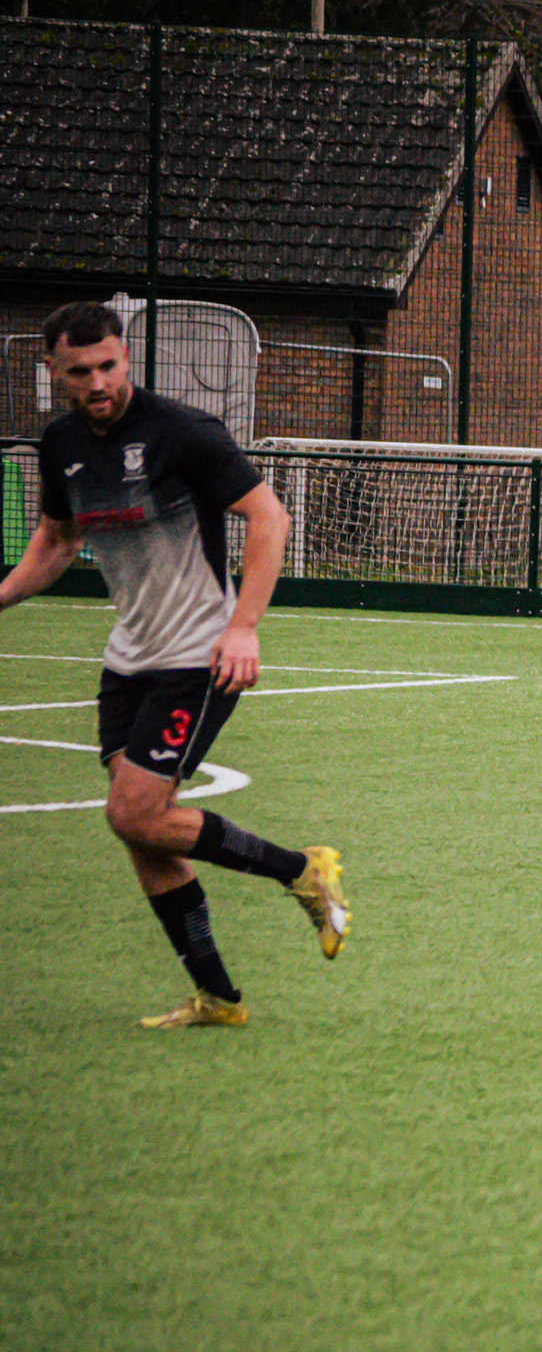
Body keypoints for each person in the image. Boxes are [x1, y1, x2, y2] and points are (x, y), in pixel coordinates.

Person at [0, 301, 349, 1028]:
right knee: (140, 828)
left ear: (127, 357)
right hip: (129, 657)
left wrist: (244, 626)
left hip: (200, 652)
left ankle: (300, 869)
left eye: (108, 365)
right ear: (53, 372)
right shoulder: (61, 442)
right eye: (79, 371)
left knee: (132, 811)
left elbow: (268, 517)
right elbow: (57, 542)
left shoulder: (181, 431)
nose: (98, 382)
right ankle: (219, 997)